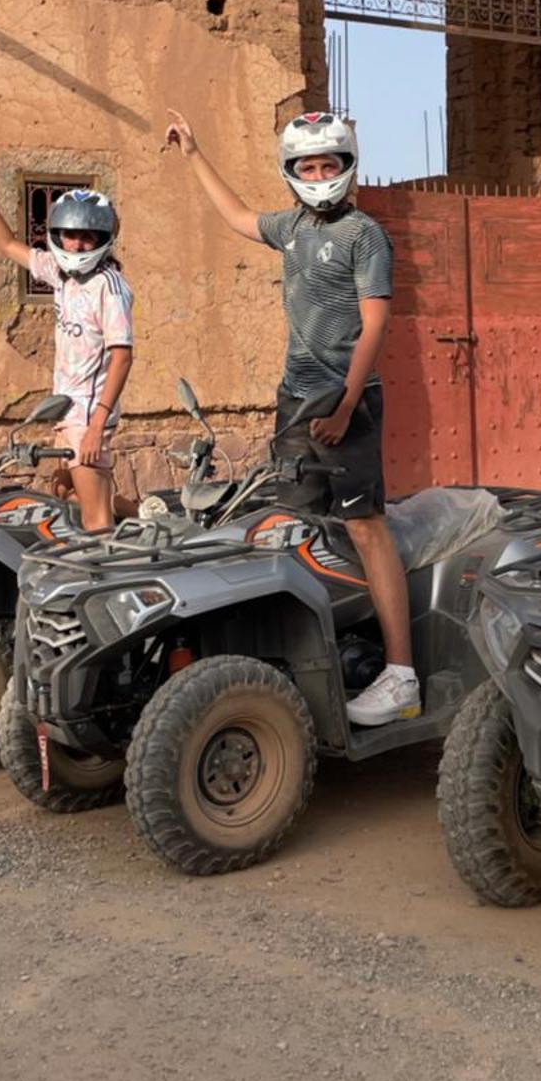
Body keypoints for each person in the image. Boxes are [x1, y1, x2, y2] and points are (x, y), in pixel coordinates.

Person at [164, 107, 418, 726]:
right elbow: (236, 216)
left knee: (365, 526)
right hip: (296, 398)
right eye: (307, 164)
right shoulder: (293, 227)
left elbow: (376, 321)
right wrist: (195, 153)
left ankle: (401, 673)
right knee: (295, 523)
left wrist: (346, 405)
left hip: (346, 400)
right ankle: (319, 653)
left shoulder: (364, 234)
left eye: (327, 163)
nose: (317, 172)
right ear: (291, 171)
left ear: (346, 166)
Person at [0, 157, 133, 532]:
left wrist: (96, 424)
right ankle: (138, 515)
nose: (77, 242)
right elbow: (7, 244)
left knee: (95, 522)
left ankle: (104, 576)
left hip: (89, 413)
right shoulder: (61, 275)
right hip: (65, 410)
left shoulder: (108, 286)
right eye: (70, 234)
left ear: (103, 240)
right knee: (61, 493)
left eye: (87, 236)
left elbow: (122, 356)